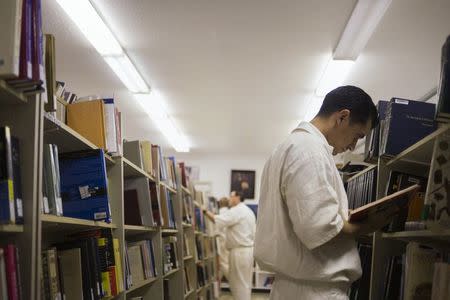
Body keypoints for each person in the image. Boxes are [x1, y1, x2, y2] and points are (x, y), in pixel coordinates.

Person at [254, 86, 399, 299]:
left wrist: (340, 213)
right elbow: (317, 226)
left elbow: (304, 215)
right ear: (342, 117)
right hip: (315, 290)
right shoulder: (309, 150)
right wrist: (370, 224)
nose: (353, 146)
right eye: (357, 136)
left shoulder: (288, 148)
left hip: (296, 287)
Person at [204, 191, 256, 300]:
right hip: (247, 251)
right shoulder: (248, 211)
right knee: (244, 284)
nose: (229, 199)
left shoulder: (237, 211)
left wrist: (204, 211)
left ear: (238, 197)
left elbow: (217, 219)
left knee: (238, 285)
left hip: (239, 252)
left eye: (231, 196)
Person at [216, 197, 230, 280]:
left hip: (221, 241)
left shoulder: (219, 213)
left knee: (222, 263)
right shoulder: (229, 212)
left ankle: (229, 279)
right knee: (225, 262)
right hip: (227, 241)